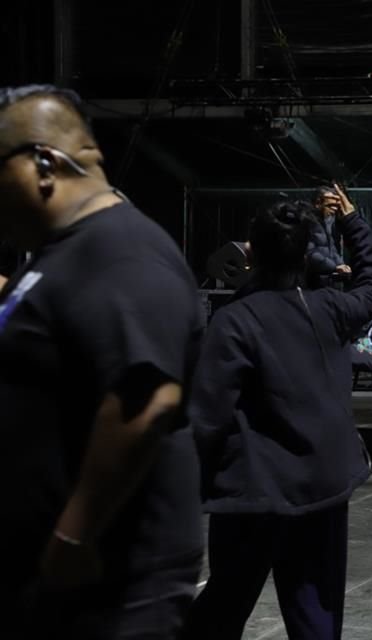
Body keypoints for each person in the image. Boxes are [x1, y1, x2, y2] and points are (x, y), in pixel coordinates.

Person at [0, 84, 204, 638]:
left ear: (44, 163)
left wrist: (75, 534)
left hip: (111, 586)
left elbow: (145, 398)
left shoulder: (120, 247)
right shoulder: (59, 254)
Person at [181, 189, 372, 640]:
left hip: (253, 496)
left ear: (250, 251)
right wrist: (353, 222)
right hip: (324, 490)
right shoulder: (330, 309)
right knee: (315, 616)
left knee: (223, 606)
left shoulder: (234, 320)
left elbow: (206, 420)